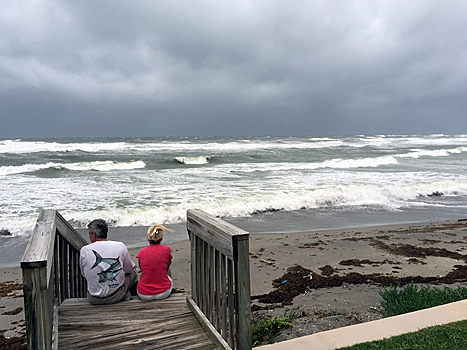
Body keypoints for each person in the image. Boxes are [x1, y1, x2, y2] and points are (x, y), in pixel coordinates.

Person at [79, 219, 138, 305]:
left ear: (94, 234)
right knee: (133, 274)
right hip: (116, 296)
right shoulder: (120, 245)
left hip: (93, 299)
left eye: (89, 234)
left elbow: (84, 274)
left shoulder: (84, 250)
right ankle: (135, 300)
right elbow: (129, 269)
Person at [136, 225, 173, 301]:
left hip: (143, 294)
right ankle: (164, 285)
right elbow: (167, 266)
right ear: (161, 238)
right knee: (166, 268)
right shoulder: (166, 249)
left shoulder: (141, 252)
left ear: (148, 238)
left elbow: (141, 269)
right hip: (163, 292)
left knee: (145, 272)